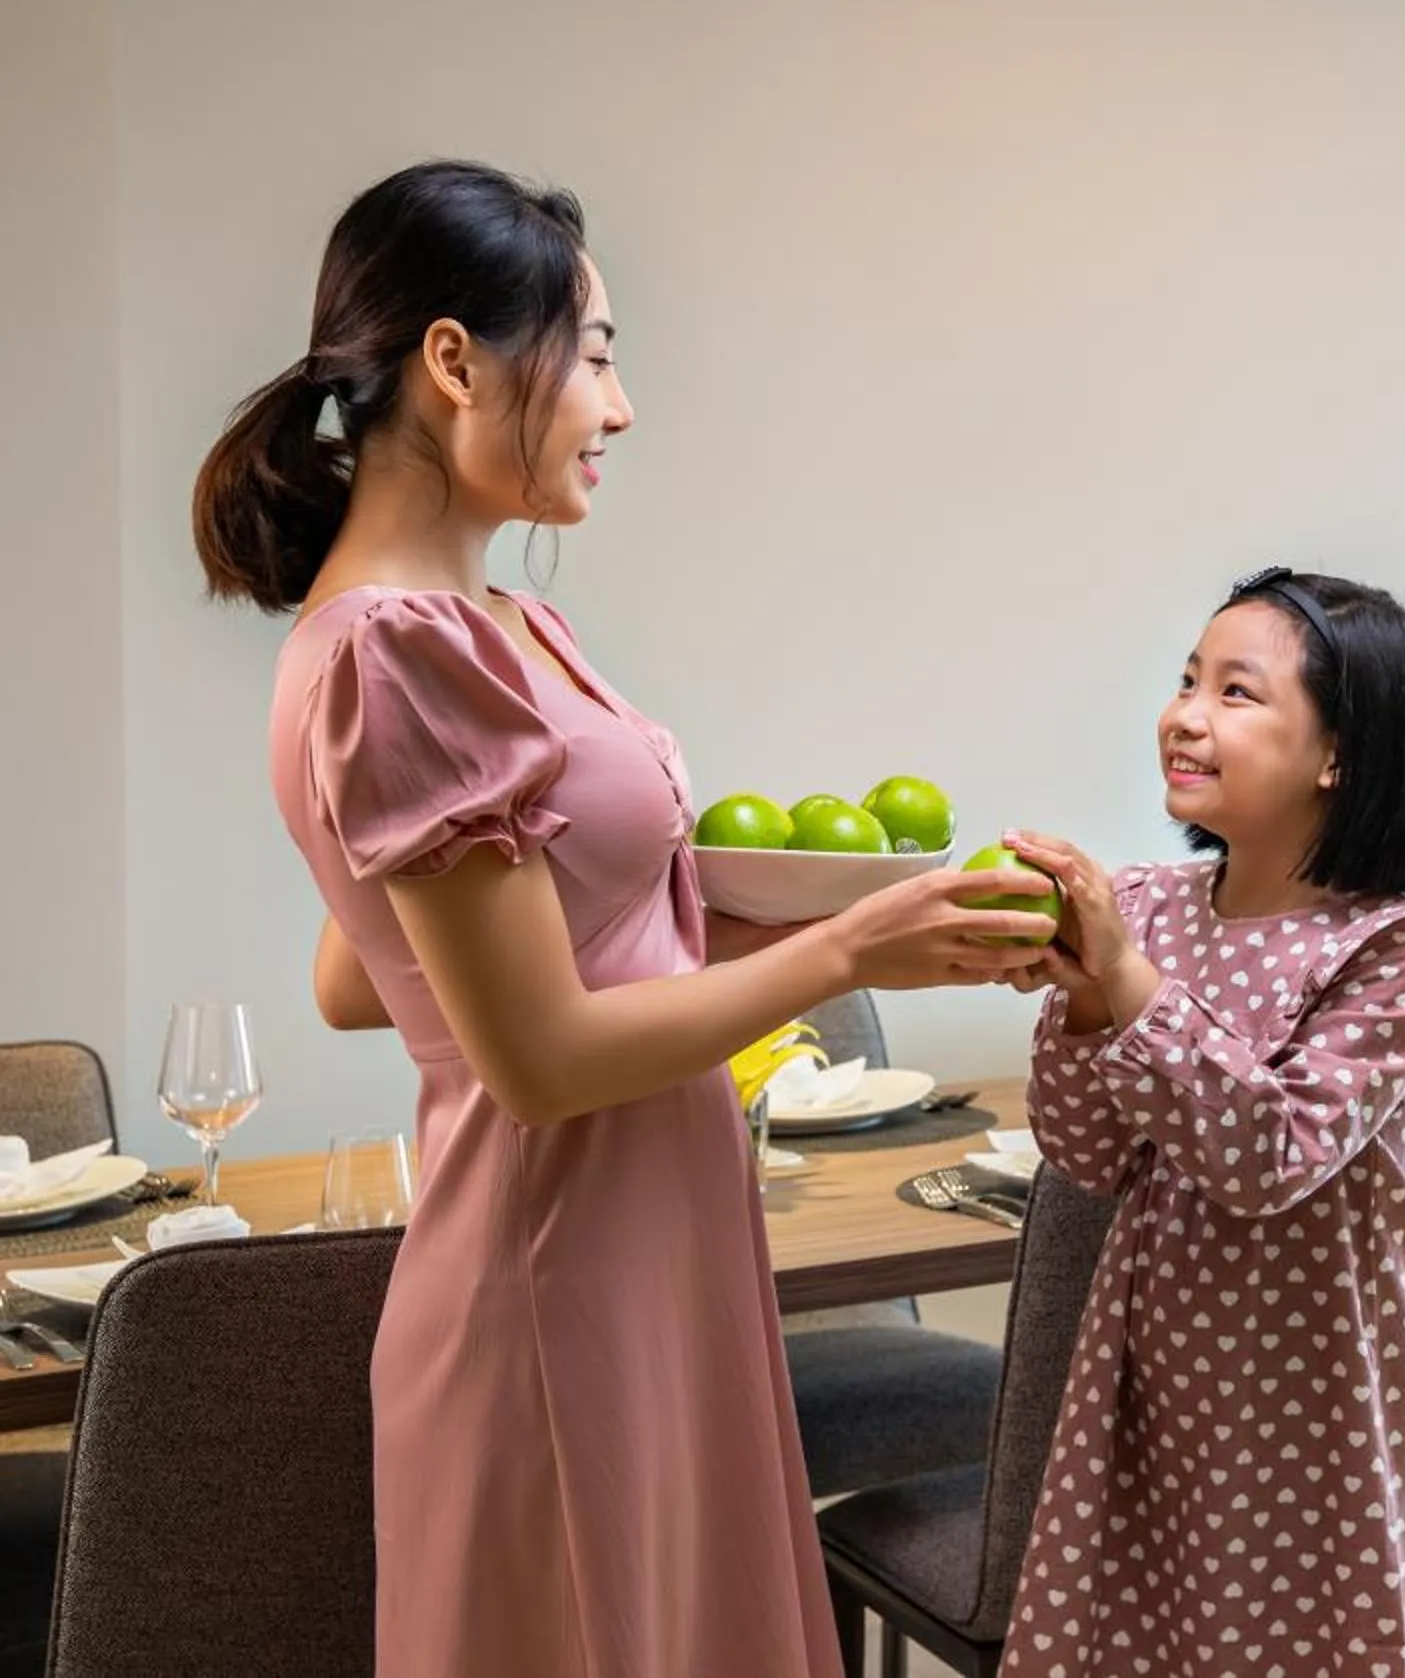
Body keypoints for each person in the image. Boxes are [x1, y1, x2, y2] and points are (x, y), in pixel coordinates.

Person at [198, 159, 1057, 1676]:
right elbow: (534, 1057)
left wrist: (806, 907)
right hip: (554, 1280)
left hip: (642, 1253)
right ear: (457, 361)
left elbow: (362, 977)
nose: (621, 405)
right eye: (597, 354)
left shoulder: (500, 629)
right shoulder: (397, 652)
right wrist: (848, 950)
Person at [998, 567, 1405, 1678]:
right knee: (1133, 1634)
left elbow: (1269, 1156)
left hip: (1325, 1400)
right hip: (1151, 1377)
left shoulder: (1402, 952)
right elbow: (1085, 1153)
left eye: (1236, 692)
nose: (1186, 714)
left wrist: (1121, 976)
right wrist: (1082, 994)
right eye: (1186, 681)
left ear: (1337, 755)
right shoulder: (1153, 905)